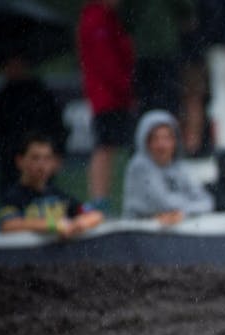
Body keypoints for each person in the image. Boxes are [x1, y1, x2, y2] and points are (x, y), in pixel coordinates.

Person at [77, 0, 135, 213]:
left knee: (112, 147)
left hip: (114, 95)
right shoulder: (95, 20)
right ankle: (99, 201)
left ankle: (106, 200)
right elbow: (106, 62)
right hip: (107, 97)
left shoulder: (109, 18)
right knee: (105, 146)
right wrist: (127, 87)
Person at [0, 53, 68, 202]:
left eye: (17, 64)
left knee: (47, 197)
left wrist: (58, 151)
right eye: (9, 65)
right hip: (9, 161)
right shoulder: (1, 97)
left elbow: (57, 126)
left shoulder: (40, 94)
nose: (13, 69)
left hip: (36, 148)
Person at [0, 132, 103, 237]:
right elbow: (8, 225)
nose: (41, 165)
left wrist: (79, 224)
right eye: (35, 158)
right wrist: (53, 224)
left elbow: (95, 214)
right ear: (20, 161)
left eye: (47, 158)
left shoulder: (59, 196)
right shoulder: (13, 196)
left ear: (54, 162)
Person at [122, 109, 213, 224]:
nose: (161, 145)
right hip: (139, 229)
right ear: (145, 142)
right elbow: (162, 204)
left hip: (173, 230)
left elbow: (206, 202)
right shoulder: (139, 166)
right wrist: (190, 206)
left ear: (175, 141)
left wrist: (183, 212)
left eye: (167, 138)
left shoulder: (180, 167)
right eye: (155, 139)